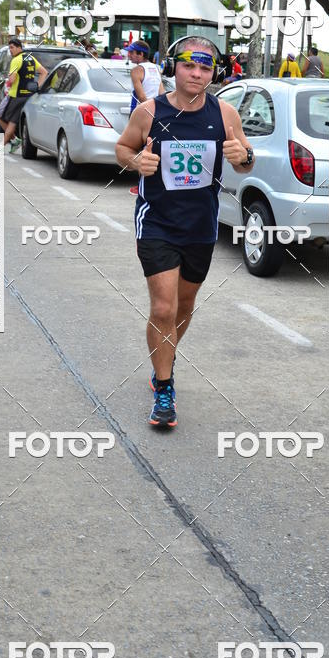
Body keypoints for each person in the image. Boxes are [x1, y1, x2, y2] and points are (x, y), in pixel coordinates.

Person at [115, 36, 255, 428]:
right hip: (157, 221)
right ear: (174, 66)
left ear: (213, 72)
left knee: (184, 307)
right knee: (163, 307)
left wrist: (244, 157)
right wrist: (136, 161)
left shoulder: (225, 113)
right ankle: (164, 388)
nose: (196, 74)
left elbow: (245, 160)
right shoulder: (149, 111)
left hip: (201, 226)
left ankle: (166, 354)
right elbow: (123, 149)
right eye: (189, 66)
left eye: (205, 67)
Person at [125, 39, 165, 195]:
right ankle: (151, 183)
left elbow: (141, 95)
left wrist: (146, 112)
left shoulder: (137, 70)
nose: (129, 55)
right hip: (156, 111)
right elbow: (161, 93)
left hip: (140, 112)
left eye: (132, 52)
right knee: (151, 148)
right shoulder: (155, 68)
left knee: (137, 149)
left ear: (140, 54)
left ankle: (140, 185)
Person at [3, 38, 48, 153]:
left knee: (7, 119)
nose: (10, 50)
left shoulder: (16, 60)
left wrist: (8, 78)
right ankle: (10, 143)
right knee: (12, 121)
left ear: (19, 47)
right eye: (9, 48)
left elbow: (12, 80)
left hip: (16, 95)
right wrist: (37, 86)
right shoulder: (30, 58)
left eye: (12, 48)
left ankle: (1, 146)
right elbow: (44, 72)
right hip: (28, 96)